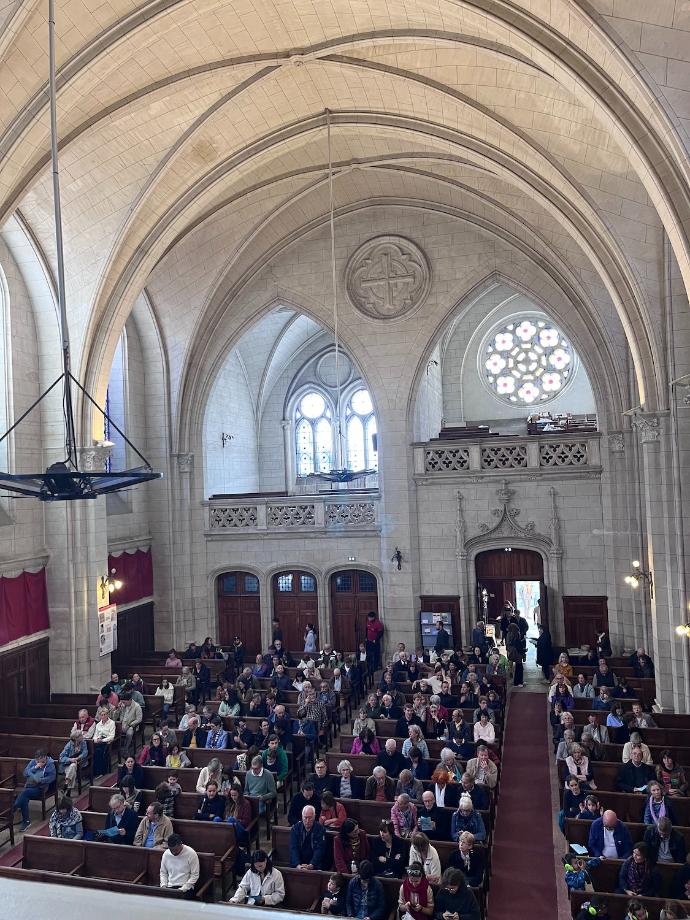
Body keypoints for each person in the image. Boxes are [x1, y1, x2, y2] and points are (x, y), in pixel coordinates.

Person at [13, 749, 56, 831]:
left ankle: (14, 808)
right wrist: (35, 767)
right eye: (37, 760)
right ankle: (26, 821)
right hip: (29, 785)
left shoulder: (50, 764)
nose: (39, 762)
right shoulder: (33, 762)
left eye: (40, 760)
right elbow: (25, 773)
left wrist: (41, 780)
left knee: (24, 794)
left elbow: (52, 777)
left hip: (40, 788)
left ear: (45, 757)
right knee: (24, 797)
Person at [290, 804, 326, 869]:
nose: (307, 821)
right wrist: (297, 865)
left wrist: (312, 864)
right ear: (302, 817)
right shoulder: (295, 829)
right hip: (298, 864)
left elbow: (320, 849)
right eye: (305, 817)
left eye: (310, 818)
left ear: (314, 817)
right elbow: (293, 848)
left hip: (315, 865)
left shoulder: (320, 829)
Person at [92, 707, 116, 776]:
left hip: (107, 741)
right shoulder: (98, 724)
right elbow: (94, 736)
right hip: (98, 741)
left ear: (107, 715)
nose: (103, 716)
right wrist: (97, 740)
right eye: (102, 715)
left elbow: (112, 736)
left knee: (99, 751)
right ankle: (95, 771)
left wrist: (102, 740)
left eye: (105, 714)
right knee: (93, 751)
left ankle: (102, 771)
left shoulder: (112, 723)